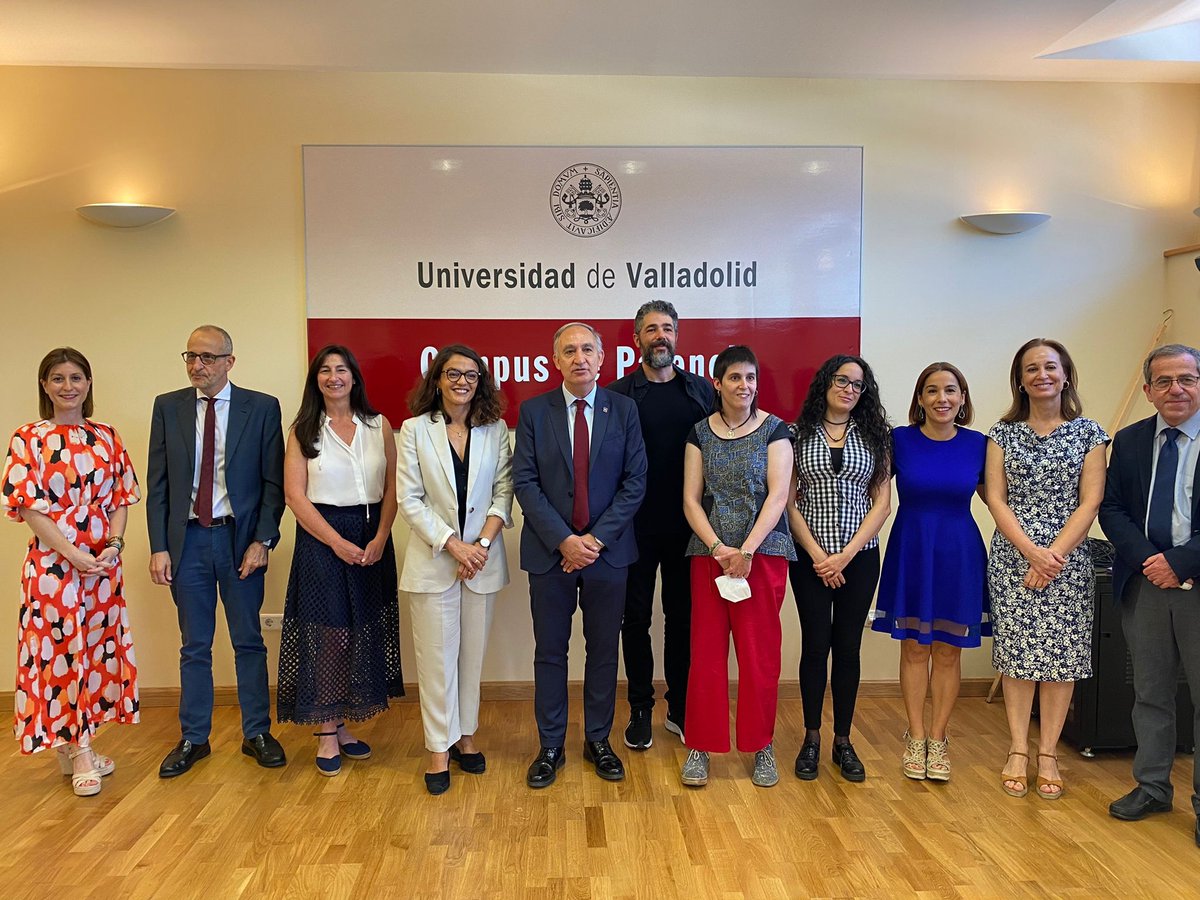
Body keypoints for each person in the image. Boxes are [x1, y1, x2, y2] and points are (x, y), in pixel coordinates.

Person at [147, 325, 287, 777]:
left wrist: (262, 541)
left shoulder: (261, 408)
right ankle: (193, 738)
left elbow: (273, 483)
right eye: (190, 356)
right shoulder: (168, 407)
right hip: (187, 542)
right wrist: (159, 547)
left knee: (248, 640)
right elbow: (158, 486)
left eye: (207, 357)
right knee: (195, 645)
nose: (197, 366)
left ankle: (257, 733)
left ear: (230, 361)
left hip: (239, 539)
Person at [513, 322, 647, 788]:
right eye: (569, 351)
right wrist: (564, 541)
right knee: (550, 653)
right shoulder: (534, 411)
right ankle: (550, 745)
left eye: (587, 349)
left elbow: (635, 482)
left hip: (607, 556)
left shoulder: (624, 409)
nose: (579, 358)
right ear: (555, 360)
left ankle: (598, 740)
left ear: (603, 357)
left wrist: (592, 542)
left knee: (603, 652)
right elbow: (524, 483)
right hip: (551, 555)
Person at [2, 348, 140, 797]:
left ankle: (75, 743)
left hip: (102, 565)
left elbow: (120, 499)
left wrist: (113, 546)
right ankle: (80, 750)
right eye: (57, 378)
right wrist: (72, 554)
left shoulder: (106, 436)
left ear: (88, 383)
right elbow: (27, 506)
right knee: (62, 652)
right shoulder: (28, 438)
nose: (68, 386)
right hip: (52, 567)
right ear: (44, 385)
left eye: (76, 377)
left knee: (96, 652)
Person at [986, 338, 1107, 800]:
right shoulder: (1002, 434)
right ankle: (1018, 748)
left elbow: (1090, 500)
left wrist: (1052, 554)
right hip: (1014, 556)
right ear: (1020, 378)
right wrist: (1030, 552)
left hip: (1069, 557)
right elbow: (996, 497)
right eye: (1032, 368)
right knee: (1017, 655)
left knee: (1061, 660)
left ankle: (1050, 753)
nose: (1042, 375)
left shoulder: (1089, 433)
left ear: (1066, 374)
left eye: (1050, 367)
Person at [277, 345, 404, 776]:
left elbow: (392, 487)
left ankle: (343, 723)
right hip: (322, 539)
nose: (334, 377)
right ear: (317, 379)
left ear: (354, 377)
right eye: (326, 370)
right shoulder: (302, 430)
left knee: (362, 630)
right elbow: (295, 496)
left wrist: (382, 536)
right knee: (329, 634)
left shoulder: (378, 425)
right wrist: (335, 542)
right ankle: (327, 731)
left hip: (372, 534)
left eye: (342, 369)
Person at [397, 344, 513, 795]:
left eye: (471, 374)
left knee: (471, 658)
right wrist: (454, 545)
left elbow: (504, 491)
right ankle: (437, 750)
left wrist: (480, 544)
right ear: (437, 379)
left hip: (481, 561)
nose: (462, 381)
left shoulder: (495, 429)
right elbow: (410, 499)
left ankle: (466, 738)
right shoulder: (413, 430)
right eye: (452, 373)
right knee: (436, 661)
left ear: (480, 381)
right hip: (434, 561)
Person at [678, 345, 795, 788]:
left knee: (758, 657)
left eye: (750, 378)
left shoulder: (775, 430)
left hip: (761, 557)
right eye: (734, 378)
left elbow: (778, 495)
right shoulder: (698, 433)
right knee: (705, 656)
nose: (743, 386)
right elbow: (691, 499)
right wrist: (718, 549)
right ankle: (701, 745)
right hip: (710, 557)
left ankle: (761, 745)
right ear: (718, 382)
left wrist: (745, 551)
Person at [1099, 343, 1200, 847]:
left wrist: (1180, 561)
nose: (1175, 389)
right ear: (1148, 391)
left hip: (1197, 581)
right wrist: (1149, 561)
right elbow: (1112, 509)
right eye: (1163, 381)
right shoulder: (1132, 440)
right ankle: (1153, 786)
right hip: (1145, 583)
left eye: (1186, 378)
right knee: (1151, 692)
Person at [871, 362, 989, 782]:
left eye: (951, 390)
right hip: (912, 548)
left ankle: (938, 739)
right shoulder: (898, 440)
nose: (942, 398)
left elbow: (1001, 502)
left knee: (947, 650)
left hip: (959, 552)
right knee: (915, 649)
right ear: (920, 399)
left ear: (962, 398)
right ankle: (915, 736)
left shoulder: (980, 444)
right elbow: (877, 497)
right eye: (933, 390)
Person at [608, 300, 715, 750]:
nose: (660, 336)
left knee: (682, 618)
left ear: (677, 336)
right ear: (637, 339)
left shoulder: (701, 392)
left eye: (667, 328)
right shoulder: (617, 394)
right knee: (633, 620)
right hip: (631, 527)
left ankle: (680, 707)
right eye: (651, 329)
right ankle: (639, 708)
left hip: (689, 526)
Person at [789, 354, 892, 782]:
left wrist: (846, 555)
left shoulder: (876, 435)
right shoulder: (795, 434)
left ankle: (843, 741)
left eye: (857, 384)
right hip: (809, 557)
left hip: (860, 558)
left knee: (848, 647)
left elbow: (882, 502)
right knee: (815, 646)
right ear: (825, 383)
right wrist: (818, 555)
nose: (849, 388)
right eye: (842, 380)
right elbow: (788, 502)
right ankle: (811, 737)